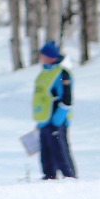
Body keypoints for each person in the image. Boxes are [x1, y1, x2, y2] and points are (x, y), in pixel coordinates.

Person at [33, 40, 77, 180]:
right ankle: (49, 178)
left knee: (61, 152)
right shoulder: (43, 73)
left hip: (57, 121)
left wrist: (58, 118)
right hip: (44, 121)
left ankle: (70, 178)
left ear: (49, 56)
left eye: (43, 54)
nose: (40, 57)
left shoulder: (62, 74)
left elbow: (67, 99)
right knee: (46, 154)